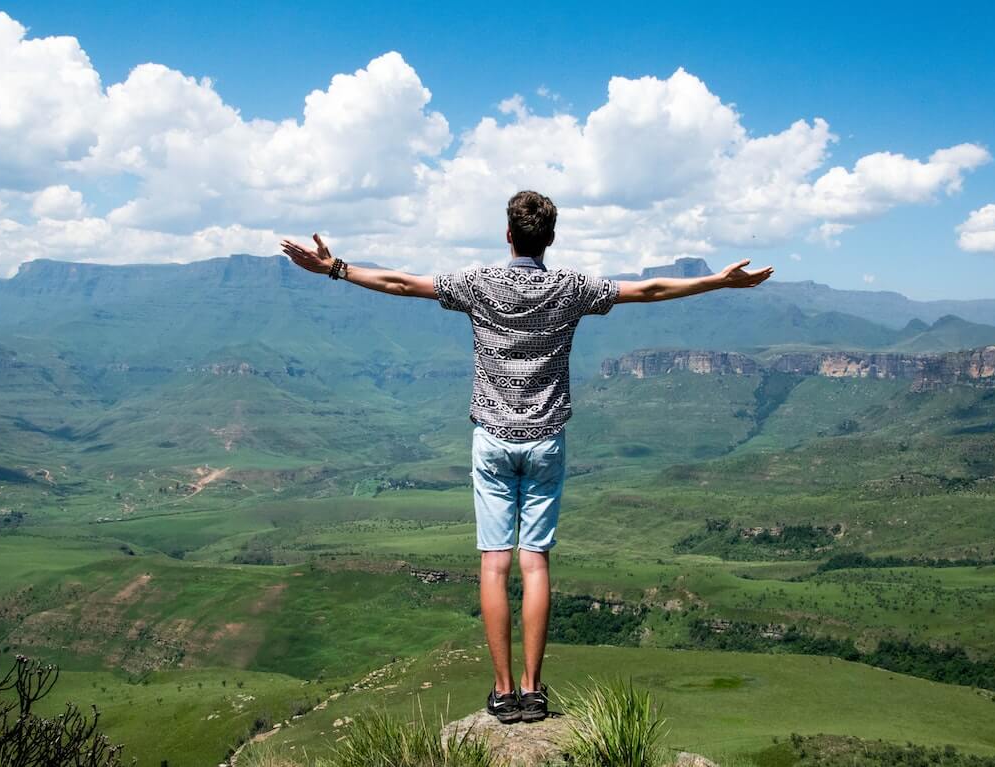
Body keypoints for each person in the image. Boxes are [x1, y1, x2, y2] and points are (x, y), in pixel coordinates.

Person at [280, 190, 773, 724]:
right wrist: (720, 282)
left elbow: (401, 283)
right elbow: (650, 289)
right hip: (546, 442)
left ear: (508, 234)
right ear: (551, 239)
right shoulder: (571, 288)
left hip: (492, 439)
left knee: (494, 564)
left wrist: (336, 268)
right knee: (534, 562)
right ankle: (535, 692)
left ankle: (502, 691)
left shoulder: (479, 284)